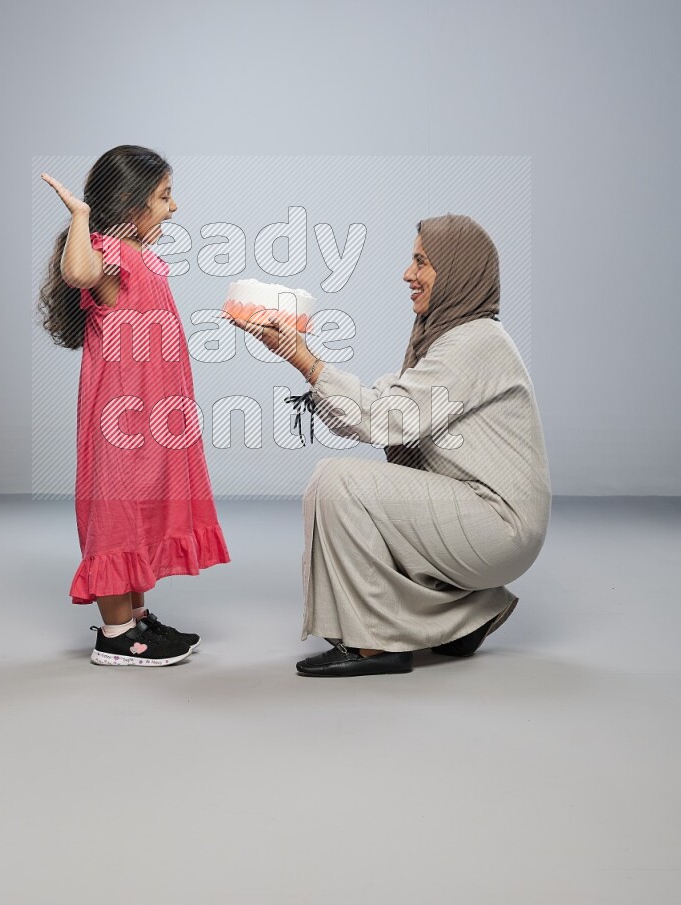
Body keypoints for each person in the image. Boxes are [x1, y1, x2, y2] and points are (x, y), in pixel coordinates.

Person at [227, 213, 551, 678]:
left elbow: (386, 421)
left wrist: (305, 359)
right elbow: (382, 401)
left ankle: (376, 643)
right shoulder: (447, 339)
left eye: (421, 261)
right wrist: (299, 355)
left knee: (337, 482)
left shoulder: (475, 342)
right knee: (369, 490)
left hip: (499, 526)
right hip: (485, 518)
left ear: (457, 270)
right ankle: (464, 619)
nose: (407, 273)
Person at [38, 145, 230, 666]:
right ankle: (116, 635)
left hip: (153, 417)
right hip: (119, 419)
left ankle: (137, 619)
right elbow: (78, 272)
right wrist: (81, 216)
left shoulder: (141, 258)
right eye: (165, 196)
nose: (174, 207)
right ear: (130, 205)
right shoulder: (106, 255)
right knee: (117, 514)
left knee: (141, 511)